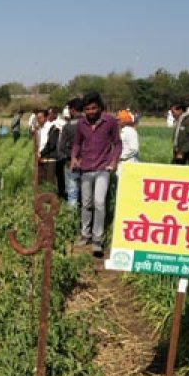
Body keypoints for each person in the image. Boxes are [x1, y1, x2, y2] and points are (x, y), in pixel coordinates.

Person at [71, 92, 121, 257]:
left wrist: (114, 161)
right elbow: (77, 143)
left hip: (102, 169)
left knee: (99, 202)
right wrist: (74, 157)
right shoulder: (81, 124)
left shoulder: (110, 122)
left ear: (99, 107)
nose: (91, 112)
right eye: (87, 109)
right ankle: (85, 235)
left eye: (93, 108)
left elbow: (117, 143)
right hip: (86, 168)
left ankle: (97, 240)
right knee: (86, 203)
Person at [57, 98, 83, 208]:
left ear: (72, 110)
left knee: (72, 195)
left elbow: (61, 148)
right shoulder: (90, 124)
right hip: (90, 165)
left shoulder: (68, 127)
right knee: (87, 197)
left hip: (71, 164)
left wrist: (71, 157)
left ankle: (72, 222)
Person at [36, 108, 60, 189]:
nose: (38, 120)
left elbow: (51, 144)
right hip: (40, 159)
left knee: (50, 183)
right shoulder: (39, 129)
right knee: (40, 182)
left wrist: (41, 153)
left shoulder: (53, 128)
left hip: (50, 159)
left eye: (40, 118)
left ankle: (52, 200)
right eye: (37, 118)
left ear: (46, 117)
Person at [116, 109, 139, 176]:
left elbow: (134, 148)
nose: (117, 122)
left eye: (119, 120)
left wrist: (121, 156)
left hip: (129, 163)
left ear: (124, 120)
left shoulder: (130, 131)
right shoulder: (124, 131)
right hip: (123, 163)